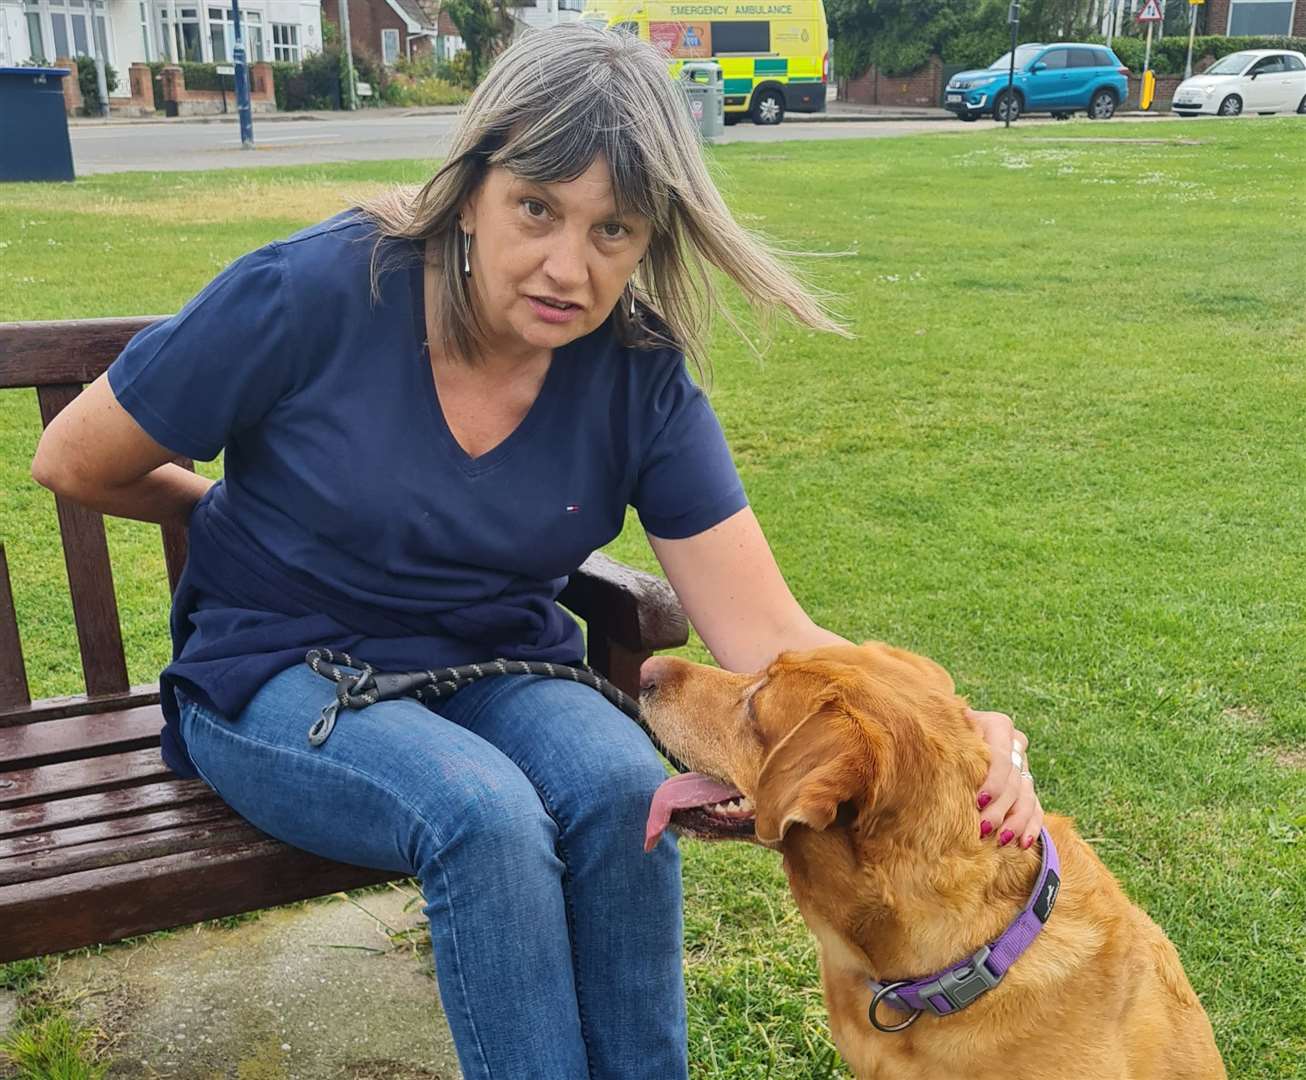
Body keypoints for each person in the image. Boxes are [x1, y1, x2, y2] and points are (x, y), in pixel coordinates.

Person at [31, 24, 1043, 1080]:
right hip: (275, 672)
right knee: (484, 817)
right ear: (471, 187)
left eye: (614, 230)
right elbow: (74, 460)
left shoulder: (636, 375)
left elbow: (769, 634)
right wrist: (243, 521)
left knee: (617, 790)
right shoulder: (313, 292)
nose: (570, 266)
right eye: (536, 208)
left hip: (492, 664)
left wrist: (966, 737)